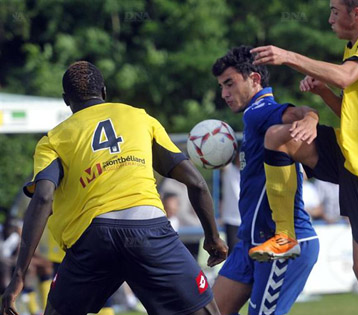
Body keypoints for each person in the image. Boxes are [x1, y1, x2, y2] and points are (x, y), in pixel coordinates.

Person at [1, 61, 227, 315]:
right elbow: (196, 182)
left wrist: (19, 275)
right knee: (204, 310)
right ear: (104, 92)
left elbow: (42, 198)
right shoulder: (140, 118)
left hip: (93, 239)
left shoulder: (53, 139)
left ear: (66, 100)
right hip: (149, 231)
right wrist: (212, 237)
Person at [251, 0, 358, 314]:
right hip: (350, 152)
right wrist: (323, 92)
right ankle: (286, 237)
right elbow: (353, 115)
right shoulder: (356, 47)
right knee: (278, 138)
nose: (329, 19)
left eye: (335, 11)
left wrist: (288, 56)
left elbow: (346, 77)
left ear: (357, 13)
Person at [211, 46, 319, 315]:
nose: (224, 93)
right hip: (250, 241)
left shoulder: (259, 110)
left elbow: (296, 113)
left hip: (283, 243)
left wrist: (311, 118)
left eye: (230, 83)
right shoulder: (253, 118)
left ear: (255, 79)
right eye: (221, 86)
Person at [220, 153, 241, 254]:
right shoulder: (230, 170)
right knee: (233, 253)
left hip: (246, 219)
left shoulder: (250, 173)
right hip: (231, 220)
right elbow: (221, 159)